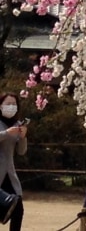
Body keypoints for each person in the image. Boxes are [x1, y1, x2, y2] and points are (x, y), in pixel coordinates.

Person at [0, 93, 27, 231]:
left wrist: (22, 137)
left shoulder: (17, 124)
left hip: (9, 174)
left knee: (18, 209)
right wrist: (6, 133)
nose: (11, 107)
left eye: (14, 104)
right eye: (8, 104)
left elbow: (21, 152)